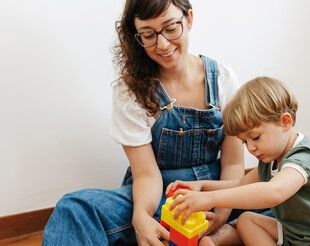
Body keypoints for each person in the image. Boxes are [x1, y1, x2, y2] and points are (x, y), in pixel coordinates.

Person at [42, 0, 251, 245]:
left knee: (280, 199)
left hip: (215, 191)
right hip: (155, 194)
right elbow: (146, 175)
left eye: (171, 28)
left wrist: (220, 214)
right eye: (148, 35)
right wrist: (141, 216)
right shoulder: (130, 90)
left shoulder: (223, 79)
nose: (162, 44)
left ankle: (220, 236)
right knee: (74, 210)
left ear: (189, 19)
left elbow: (234, 164)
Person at [168, 77, 310, 245]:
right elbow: (239, 186)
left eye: (256, 137)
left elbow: (274, 192)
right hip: (302, 234)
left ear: (285, 122)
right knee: (247, 221)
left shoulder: (304, 157)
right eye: (245, 142)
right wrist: (201, 186)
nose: (251, 148)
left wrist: (209, 199)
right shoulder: (270, 160)